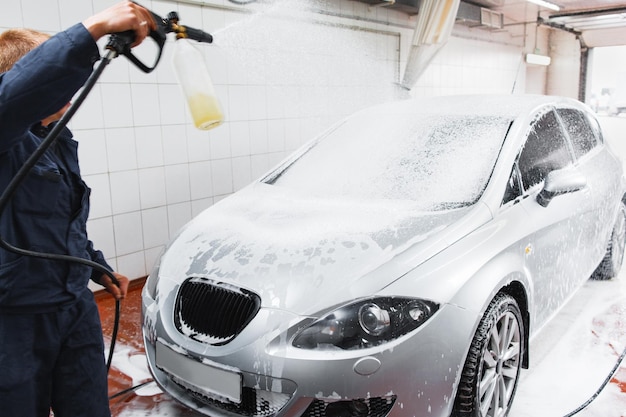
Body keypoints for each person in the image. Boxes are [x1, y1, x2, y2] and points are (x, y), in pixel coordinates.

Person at [0, 2, 156, 416]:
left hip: (73, 305)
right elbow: (15, 97)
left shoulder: (56, 137)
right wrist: (96, 27)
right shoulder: (5, 138)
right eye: (57, 89)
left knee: (87, 406)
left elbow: (59, 220)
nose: (68, 100)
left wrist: (94, 266)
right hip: (14, 319)